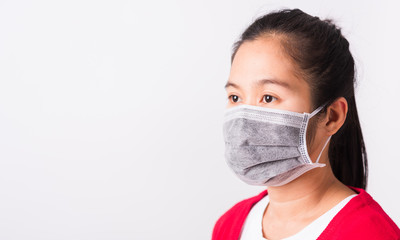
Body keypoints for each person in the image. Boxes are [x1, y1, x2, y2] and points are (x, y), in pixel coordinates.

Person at [212, 8, 400, 240]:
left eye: (268, 97)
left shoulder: (368, 233)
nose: (244, 120)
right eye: (235, 98)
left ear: (332, 117)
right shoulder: (230, 224)